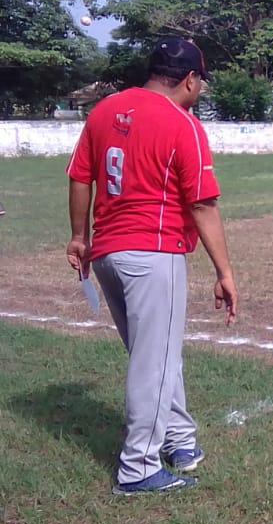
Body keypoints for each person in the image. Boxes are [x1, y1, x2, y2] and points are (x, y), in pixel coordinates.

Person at [65, 37, 239, 496]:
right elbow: (203, 204)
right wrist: (225, 272)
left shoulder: (104, 110)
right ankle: (138, 467)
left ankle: (180, 441)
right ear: (189, 79)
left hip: (107, 253)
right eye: (200, 81)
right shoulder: (184, 124)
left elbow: (81, 175)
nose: (200, 89)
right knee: (154, 361)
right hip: (152, 253)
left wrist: (80, 237)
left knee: (154, 355)